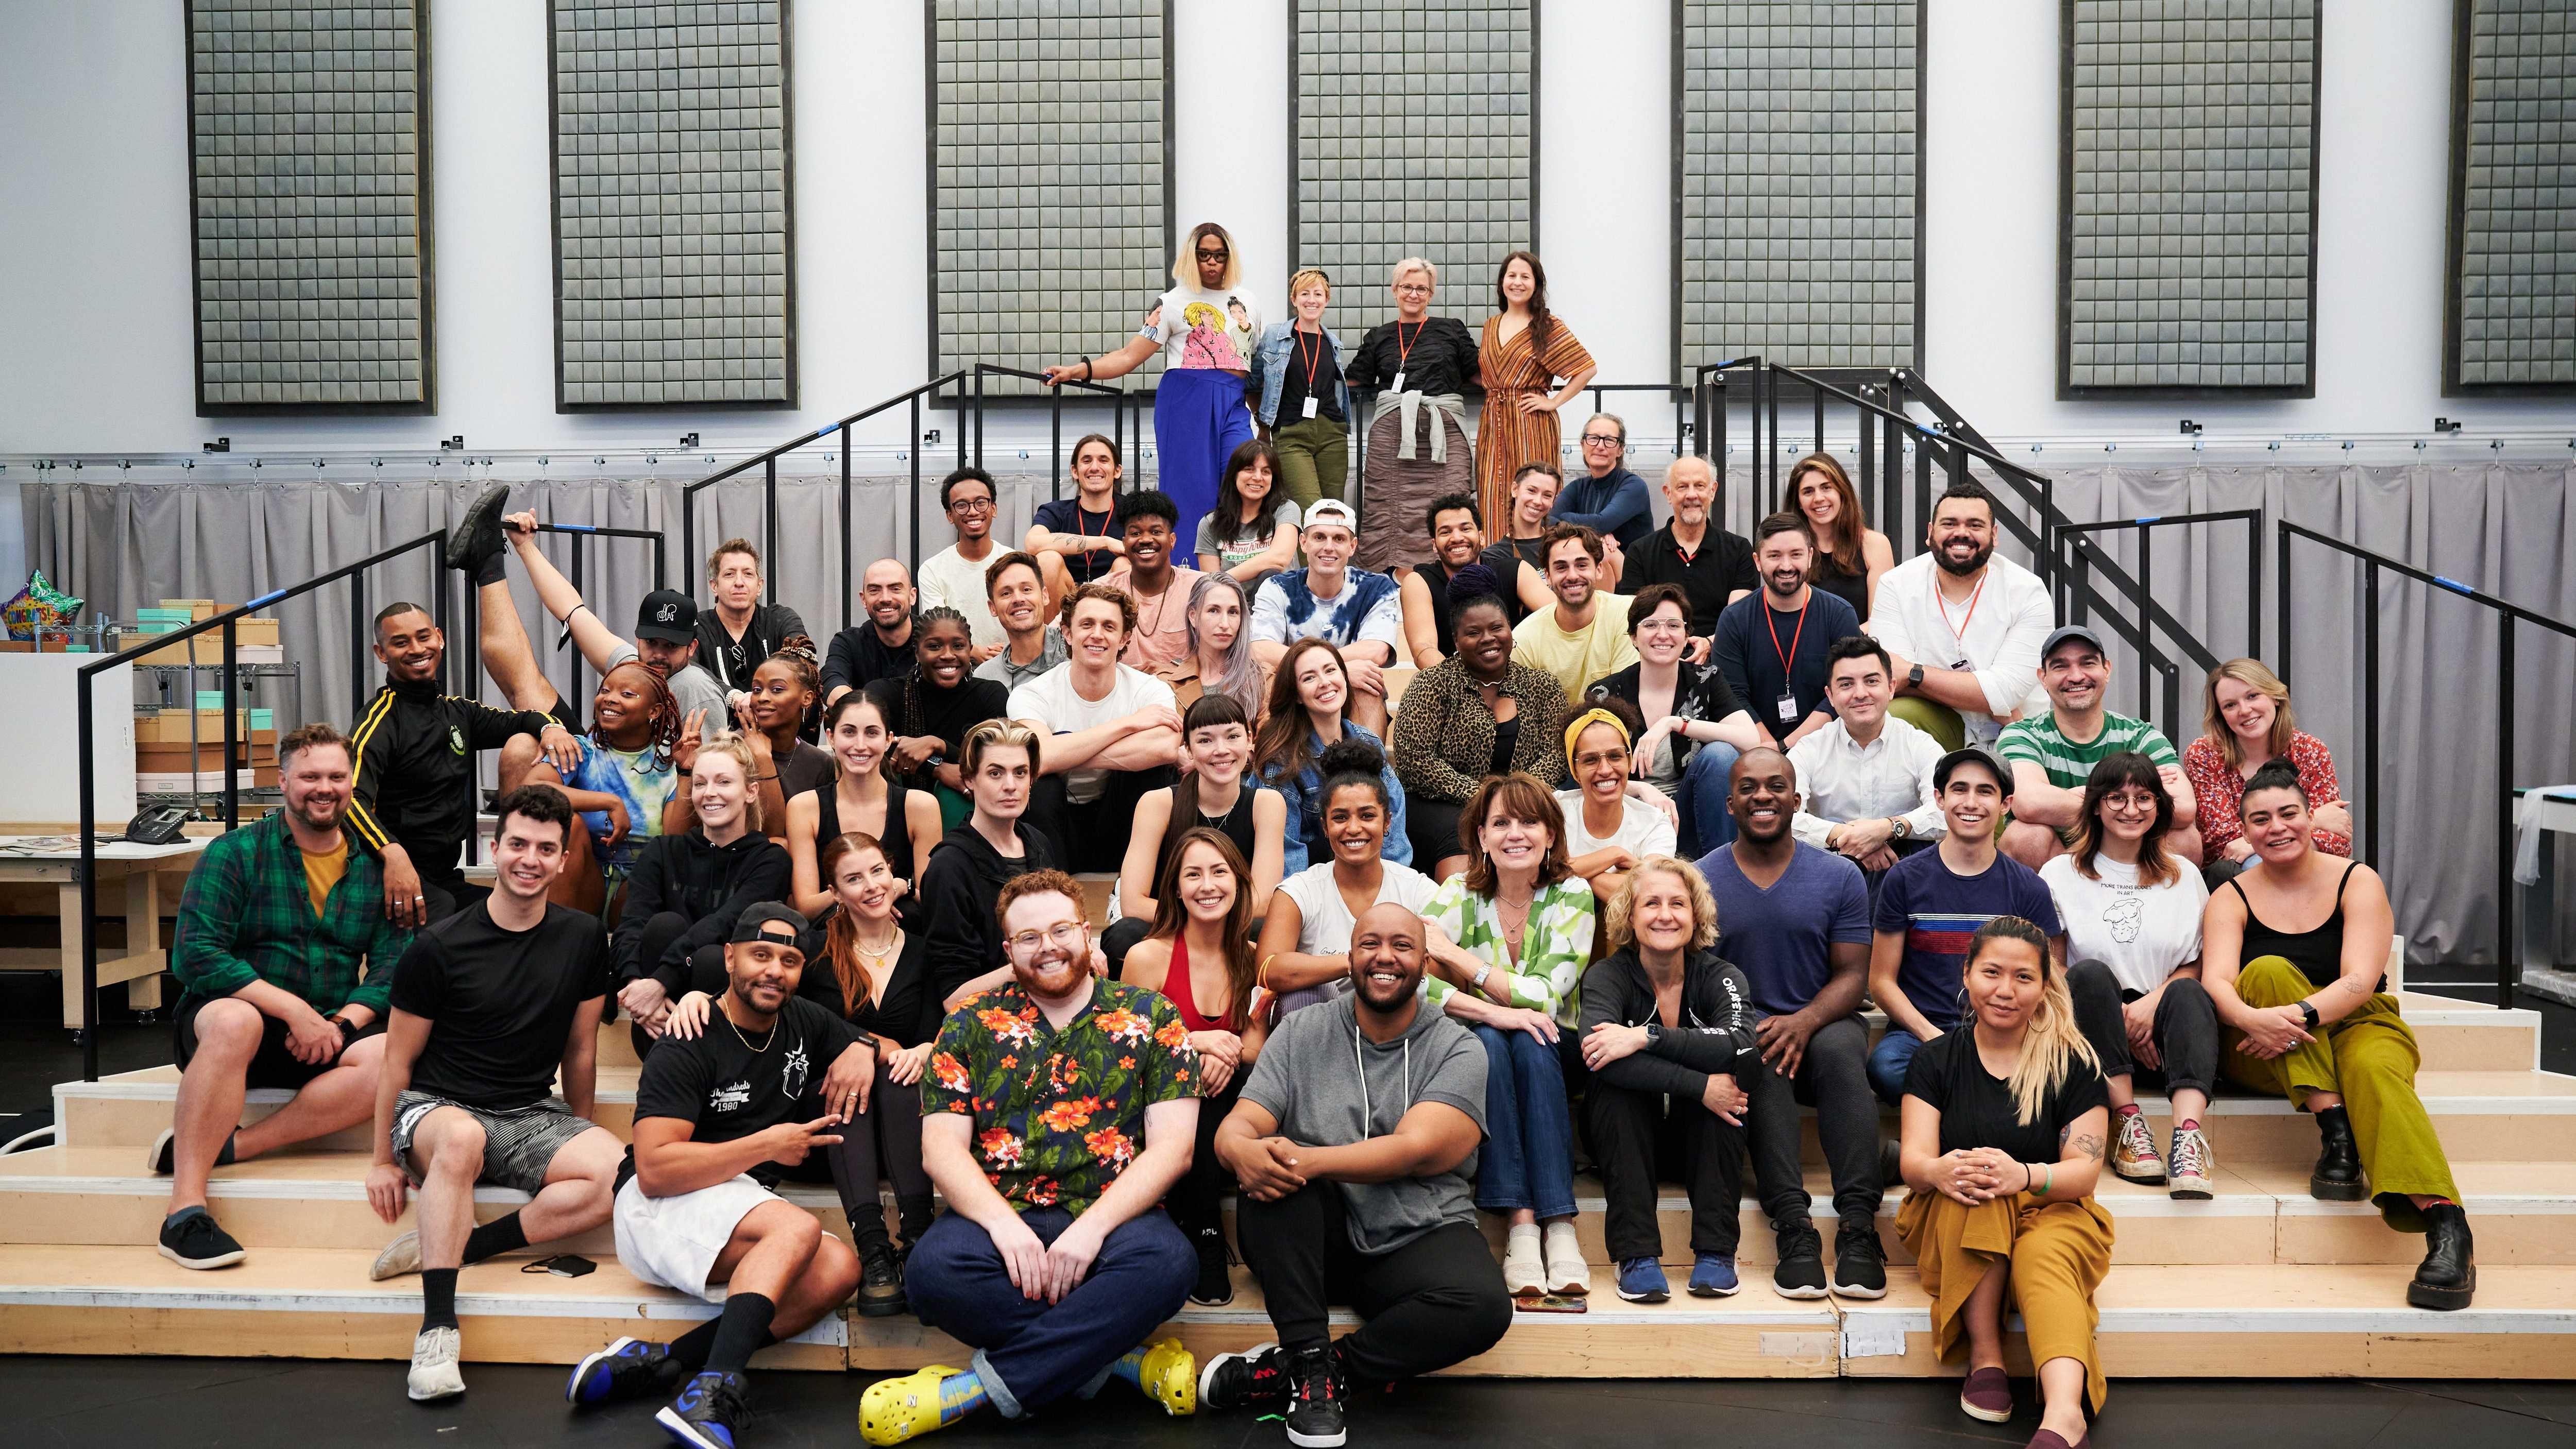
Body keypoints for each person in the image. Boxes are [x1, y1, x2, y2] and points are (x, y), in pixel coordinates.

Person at [858, 871, 1202, 1444]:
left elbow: (1174, 1149)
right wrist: (1005, 1227)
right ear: (1008, 949)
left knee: (1169, 1265)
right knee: (930, 1274)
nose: (1048, 946)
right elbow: (940, 1150)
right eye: (1029, 937)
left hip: (1114, 1214)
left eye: (1061, 929)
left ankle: (969, 1391)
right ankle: (1113, 1361)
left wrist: (1090, 1229)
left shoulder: (1152, 1015)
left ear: (1086, 932)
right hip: (1001, 1209)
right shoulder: (968, 1023)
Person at [1203, 902, 1510, 1444]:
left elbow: (1414, 1149)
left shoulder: (1458, 1046)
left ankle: (1314, 1370)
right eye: (1370, 943)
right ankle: (1309, 1359)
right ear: (1349, 957)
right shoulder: (1301, 1030)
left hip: (1418, 1231)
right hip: (1315, 1245)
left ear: (1425, 963)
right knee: (1271, 1182)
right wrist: (1236, 1149)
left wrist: (1303, 1157)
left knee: (1483, 1305)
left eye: (1402, 945)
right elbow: (1242, 1123)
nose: (1384, 956)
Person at [567, 904, 872, 1448]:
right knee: (797, 1228)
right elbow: (654, 1169)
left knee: (839, 1269)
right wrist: (768, 1144)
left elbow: (880, 1044)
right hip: (655, 1203)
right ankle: (714, 1388)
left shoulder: (802, 1020)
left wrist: (863, 1049)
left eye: (789, 960)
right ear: (729, 958)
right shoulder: (691, 1034)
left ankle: (660, 1361)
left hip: (732, 1200)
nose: (774, 970)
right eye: (760, 954)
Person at [363, 787, 623, 1402]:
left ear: (563, 860)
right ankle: (437, 1329)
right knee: (461, 1136)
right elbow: (397, 1059)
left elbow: (580, 1049)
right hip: (438, 1108)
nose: (530, 859)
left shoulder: (585, 936)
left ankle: (466, 1243)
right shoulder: (437, 945)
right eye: (517, 844)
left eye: (545, 848)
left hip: (529, 1110)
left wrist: (579, 1130)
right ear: (494, 848)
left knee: (619, 1173)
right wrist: (381, 1158)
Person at [2201, 761, 2475, 1310]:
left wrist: (2293, 1017)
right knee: (2267, 971)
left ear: (2311, 817)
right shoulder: (2230, 895)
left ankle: (2447, 1225)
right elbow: (2217, 981)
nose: (2276, 827)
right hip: (2262, 1049)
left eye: (2288, 813)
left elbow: (2357, 981)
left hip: (2355, 1022)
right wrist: (2251, 1019)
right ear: (2244, 830)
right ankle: (2337, 1130)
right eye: (2260, 819)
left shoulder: (2357, 879)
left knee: (2373, 1069)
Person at [149, 724, 411, 1272]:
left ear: (352, 783)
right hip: (236, 1027)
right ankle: (184, 1212)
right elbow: (195, 954)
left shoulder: (375, 866)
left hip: (326, 1032)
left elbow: (394, 966)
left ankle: (237, 1146)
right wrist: (293, 1010)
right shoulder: (236, 852)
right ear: (283, 780)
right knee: (235, 1020)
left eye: (337, 776)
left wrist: (341, 1024)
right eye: (310, 776)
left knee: (396, 1053)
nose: (325, 788)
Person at [1895, 916, 2113, 1446]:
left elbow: (2084, 1171)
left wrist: (2024, 1175)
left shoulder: (2074, 1063)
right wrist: (1940, 1169)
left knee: (2040, 1251)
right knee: (1977, 1183)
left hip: (2053, 1207)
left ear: (2043, 986)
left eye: (2023, 977)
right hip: (1958, 1210)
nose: (2005, 990)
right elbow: (1914, 1161)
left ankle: (2064, 1413)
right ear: (1967, 974)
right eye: (1991, 972)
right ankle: (1986, 1356)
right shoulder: (1935, 1059)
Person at [1696, 748, 1884, 1298]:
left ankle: (1858, 1226)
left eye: (1776, 785)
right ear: (1729, 803)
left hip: (1824, 1017)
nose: (1762, 795)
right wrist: (1752, 1026)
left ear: (1797, 800)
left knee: (1839, 1052)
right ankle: (1793, 1226)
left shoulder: (1839, 875)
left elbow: (1853, 976)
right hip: (1743, 1027)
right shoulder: (1701, 878)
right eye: (1748, 787)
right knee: (1759, 1052)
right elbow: (1698, 981)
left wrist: (1803, 1020)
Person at [1415, 773, 1597, 1300]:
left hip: (1557, 1049)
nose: (1514, 833)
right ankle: (1525, 1224)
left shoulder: (1572, 893)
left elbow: (1545, 996)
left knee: (1529, 1039)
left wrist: (1459, 959)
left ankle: (1555, 1224)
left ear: (1550, 834)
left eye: (1529, 822)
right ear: (1482, 836)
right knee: (1493, 1041)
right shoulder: (1458, 892)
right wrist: (1490, 1012)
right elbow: (1409, 976)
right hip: (1481, 1047)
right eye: (1501, 823)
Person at [1577, 857, 1758, 1303]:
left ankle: (1717, 1250)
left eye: (1678, 903)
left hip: (1698, 1143)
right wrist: (1699, 1086)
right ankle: (1636, 1255)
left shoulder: (1722, 976)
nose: (1665, 914)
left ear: (1695, 915)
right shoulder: (1606, 975)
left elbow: (1740, 1044)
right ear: (1630, 916)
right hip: (1624, 1143)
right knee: (1619, 1088)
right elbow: (1598, 1056)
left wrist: (1647, 1036)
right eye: (1651, 903)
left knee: (1727, 1086)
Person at [2043, 753, 2219, 1197]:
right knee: (2088, 975)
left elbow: (2197, 963)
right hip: (2090, 1032)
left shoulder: (2185, 875)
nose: (2131, 809)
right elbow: (2053, 966)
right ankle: (2126, 1122)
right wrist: (2120, 1017)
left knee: (2191, 993)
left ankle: (2188, 1139)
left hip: (2161, 1034)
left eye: (2144, 797)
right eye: (2117, 797)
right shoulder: (2060, 873)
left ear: (2159, 806)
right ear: (2096, 805)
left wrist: (2148, 1007)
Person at [781, 831, 941, 1314]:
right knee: (855, 1082)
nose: (871, 886)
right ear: (834, 892)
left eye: (877, 871)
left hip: (904, 1122)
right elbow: (793, 1024)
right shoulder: (814, 953)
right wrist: (863, 1045)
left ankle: (919, 1243)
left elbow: (937, 1034)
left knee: (896, 1073)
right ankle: (873, 1250)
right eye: (854, 879)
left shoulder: (924, 950)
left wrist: (921, 1050)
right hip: (833, 1127)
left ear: (892, 872)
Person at [453, 503, 725, 782]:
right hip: (604, 769)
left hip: (645, 793)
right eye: (652, 642)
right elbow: (573, 610)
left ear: (691, 648)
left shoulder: (693, 687)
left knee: (526, 732)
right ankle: (489, 561)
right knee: (527, 696)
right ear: (638, 638)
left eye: (671, 646)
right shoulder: (634, 666)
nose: (658, 654)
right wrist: (525, 546)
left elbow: (712, 774)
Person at [348, 599, 579, 924]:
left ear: (439, 638)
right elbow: (349, 800)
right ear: (381, 653)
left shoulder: (459, 712)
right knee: (450, 917)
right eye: (401, 643)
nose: (417, 649)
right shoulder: (379, 720)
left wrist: (550, 728)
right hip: (394, 872)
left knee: (520, 913)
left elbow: (523, 720)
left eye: (424, 637)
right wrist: (391, 852)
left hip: (445, 877)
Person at [1044, 220, 1261, 558]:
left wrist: (1262, 417)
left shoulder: (1247, 301)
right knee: (1192, 490)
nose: (1212, 262)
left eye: (1220, 255)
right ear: (1191, 256)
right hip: (1186, 399)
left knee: (1244, 479)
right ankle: (1188, 569)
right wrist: (1080, 370)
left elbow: (1254, 365)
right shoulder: (1171, 302)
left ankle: (1241, 567)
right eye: (1204, 254)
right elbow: (1130, 355)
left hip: (1233, 399)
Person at [1123, 828, 1273, 1305]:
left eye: (1219, 872)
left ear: (1238, 882)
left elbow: (1255, 1048)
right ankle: (1205, 1227)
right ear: (1176, 888)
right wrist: (1194, 1043)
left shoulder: (1252, 957)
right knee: (1188, 1074)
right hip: (1154, 1105)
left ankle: (1207, 1225)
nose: (1207, 885)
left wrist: (1217, 1051)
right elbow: (1124, 1047)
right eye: (1193, 874)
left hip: (1223, 1104)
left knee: (1228, 1079)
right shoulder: (1147, 956)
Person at [1868, 749, 2065, 1105]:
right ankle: (1984, 1099)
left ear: (2005, 805)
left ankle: (1956, 1104)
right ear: (1939, 799)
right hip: (1922, 1031)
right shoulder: (1904, 879)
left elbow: (2052, 979)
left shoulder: (2028, 888)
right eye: (1959, 789)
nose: (1971, 802)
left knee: (2050, 1070)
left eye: (1985, 791)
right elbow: (1881, 980)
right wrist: (1934, 1038)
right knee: (1887, 1068)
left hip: (2006, 1029)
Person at [611, 733, 792, 1051]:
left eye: (724, 782)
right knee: (664, 925)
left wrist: (661, 980)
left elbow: (726, 923)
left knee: (713, 958)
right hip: (657, 1021)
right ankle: (665, 1050)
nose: (709, 793)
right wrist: (638, 986)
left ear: (751, 792)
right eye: (700, 784)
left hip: (726, 1014)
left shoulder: (770, 860)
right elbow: (632, 923)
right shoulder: (663, 852)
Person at [1388, 572, 1569, 877]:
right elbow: (1416, 762)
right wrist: (1484, 796)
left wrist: (1515, 796)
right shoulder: (1432, 684)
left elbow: (1556, 756)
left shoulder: (1542, 686)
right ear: (1456, 641)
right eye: (1473, 632)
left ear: (1510, 630)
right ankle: (1459, 904)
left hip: (1525, 801)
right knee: (1459, 831)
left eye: (1497, 628)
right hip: (1442, 804)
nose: (1488, 638)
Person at [1256, 740, 1442, 1015]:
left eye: (1367, 816)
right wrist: (1359, 961)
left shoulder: (1418, 890)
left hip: (1402, 1024)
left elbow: (1450, 972)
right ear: (1325, 826)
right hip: (1326, 1024)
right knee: (1302, 997)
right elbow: (1268, 969)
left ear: (1387, 822)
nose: (1354, 828)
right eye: (1340, 818)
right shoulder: (1299, 891)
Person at [1008, 583, 1183, 872]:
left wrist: (1064, 754)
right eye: (1087, 624)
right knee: (1041, 785)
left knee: (1147, 772)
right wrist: (1127, 725)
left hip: (1120, 815)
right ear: (1067, 633)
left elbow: (1165, 748)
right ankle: (1050, 888)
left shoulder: (1148, 690)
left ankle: (1138, 883)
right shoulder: (1034, 693)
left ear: (1124, 639)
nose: (1097, 635)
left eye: (1109, 627)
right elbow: (1039, 760)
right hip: (1057, 819)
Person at [1866, 482, 2052, 752]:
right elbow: (1892, 679)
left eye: (1975, 525)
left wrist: (1916, 673)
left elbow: (2007, 690)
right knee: (1895, 714)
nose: (1962, 533)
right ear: (1930, 533)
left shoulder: (2028, 590)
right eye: (1949, 524)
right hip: (1942, 719)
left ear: (1994, 535)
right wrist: (1988, 698)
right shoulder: (1896, 585)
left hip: (2018, 727)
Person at [1997, 624, 2201, 869]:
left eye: (2088, 663)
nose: (2076, 676)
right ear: (2043, 678)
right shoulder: (2023, 734)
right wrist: (2134, 793)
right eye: (2061, 666)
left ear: (2107, 670)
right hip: (2057, 863)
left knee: (2185, 839)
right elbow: (2029, 804)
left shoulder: (2141, 736)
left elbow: (2183, 808)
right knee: (2027, 837)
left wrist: (2078, 797)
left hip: (2131, 861)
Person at [1108, 693, 1286, 965]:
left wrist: (1212, 920)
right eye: (1205, 740)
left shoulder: (1267, 804)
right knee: (1125, 934)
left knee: (1265, 931)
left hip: (1233, 926)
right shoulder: (1157, 803)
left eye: (1233, 736)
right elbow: (1133, 903)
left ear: (1250, 739)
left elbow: (1261, 902)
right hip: (1169, 924)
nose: (1221, 750)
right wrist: (1199, 919)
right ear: (1189, 750)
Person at [1589, 585, 1757, 856]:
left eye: (1673, 625)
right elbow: (1585, 773)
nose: (1663, 634)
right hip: (1630, 815)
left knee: (1721, 754)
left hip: (1692, 813)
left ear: (1687, 635)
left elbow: (1750, 740)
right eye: (1650, 625)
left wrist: (1675, 723)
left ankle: (1722, 866)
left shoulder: (1706, 679)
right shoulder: (1605, 694)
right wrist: (1640, 789)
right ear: (1633, 637)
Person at [517, 660, 688, 916]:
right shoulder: (581, 750)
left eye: (627, 694)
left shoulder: (669, 762)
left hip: (642, 885)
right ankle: (555, 934)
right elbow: (530, 789)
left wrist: (687, 773)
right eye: (605, 691)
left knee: (662, 863)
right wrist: (609, 802)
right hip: (586, 879)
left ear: (654, 711)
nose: (609, 699)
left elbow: (675, 844)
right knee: (568, 821)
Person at [1344, 257, 1481, 574]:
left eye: (1422, 289)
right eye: (1407, 287)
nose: (1414, 294)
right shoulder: (1379, 336)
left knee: (1453, 504)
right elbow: (1354, 379)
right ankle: (1384, 587)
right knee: (1384, 510)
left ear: (1431, 294)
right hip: (1392, 438)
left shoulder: (1451, 329)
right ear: (1395, 291)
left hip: (1444, 434)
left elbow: (1479, 375)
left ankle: (1454, 581)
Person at [917, 719, 1060, 1008]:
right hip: (988, 1018)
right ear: (969, 779)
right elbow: (953, 999)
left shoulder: (1038, 842)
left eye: (1020, 773)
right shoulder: (948, 867)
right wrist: (1027, 965)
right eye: (995, 773)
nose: (1010, 786)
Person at [1788, 635, 1945, 891]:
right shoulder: (1809, 749)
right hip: (1832, 871)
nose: (1860, 694)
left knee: (1919, 846)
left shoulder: (1919, 744)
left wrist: (1889, 828)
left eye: (1872, 681)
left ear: (1891, 688)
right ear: (1830, 695)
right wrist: (1846, 837)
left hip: (1903, 869)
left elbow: (1946, 812)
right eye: (1846, 684)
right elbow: (1785, 818)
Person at [2182, 657, 2353, 879]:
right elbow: (2220, 842)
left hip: (2308, 870)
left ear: (2275, 697)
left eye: (2253, 696)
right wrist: (2316, 820)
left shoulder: (2310, 749)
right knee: (2257, 865)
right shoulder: (2204, 753)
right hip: (2237, 877)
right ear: (2221, 716)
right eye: (2230, 705)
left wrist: (2253, 843)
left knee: (2354, 876)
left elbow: (2338, 841)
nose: (2245, 710)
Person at [1255, 638, 1413, 873]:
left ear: (1344, 677)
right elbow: (1287, 861)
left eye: (1330, 671)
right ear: (1297, 695)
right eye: (1309, 678)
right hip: (1309, 881)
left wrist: (1390, 887)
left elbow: (1393, 837)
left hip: (1366, 876)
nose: (1325, 682)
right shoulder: (1283, 760)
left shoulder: (1368, 741)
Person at [1248, 499, 1405, 735]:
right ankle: (1274, 760)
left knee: (1368, 685)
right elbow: (1260, 649)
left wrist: (1332, 675)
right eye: (1320, 537)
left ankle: (1365, 761)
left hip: (1349, 694)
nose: (1329, 547)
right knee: (1268, 681)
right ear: (1304, 542)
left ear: (1352, 546)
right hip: (1293, 690)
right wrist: (1338, 671)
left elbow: (1377, 651)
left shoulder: (1376, 588)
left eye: (1339, 539)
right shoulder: (1276, 587)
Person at [1711, 513, 1861, 757]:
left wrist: (1788, 746)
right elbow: (1732, 696)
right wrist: (1769, 751)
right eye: (1774, 556)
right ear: (1758, 561)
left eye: (1796, 554)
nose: (1786, 566)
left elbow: (1845, 688)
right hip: (1754, 750)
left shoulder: (1839, 614)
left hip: (1828, 748)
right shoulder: (1734, 619)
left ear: (1810, 557)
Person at [785, 690, 943, 918]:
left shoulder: (920, 806)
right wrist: (873, 890)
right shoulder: (804, 807)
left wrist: (903, 886)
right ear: (831, 737)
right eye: (849, 732)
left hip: (902, 929)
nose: (860, 745)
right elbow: (807, 907)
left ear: (888, 740)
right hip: (832, 932)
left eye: (872, 733)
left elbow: (933, 899)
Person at [1475, 250, 1596, 531]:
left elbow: (1586, 368)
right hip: (1492, 422)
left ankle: (1538, 556)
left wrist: (1553, 402)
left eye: (1525, 277)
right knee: (1492, 493)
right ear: (1502, 282)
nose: (1517, 282)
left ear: (1536, 284)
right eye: (1511, 276)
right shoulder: (1491, 325)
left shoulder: (1547, 326)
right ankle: (1497, 555)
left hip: (1530, 422)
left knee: (1534, 492)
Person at [866, 606, 1010, 831]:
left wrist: (939, 744)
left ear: (970, 649)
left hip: (969, 816)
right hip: (898, 814)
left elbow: (996, 759)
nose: (948, 655)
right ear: (917, 653)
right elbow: (870, 745)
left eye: (958, 646)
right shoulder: (887, 694)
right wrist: (939, 768)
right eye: (934, 646)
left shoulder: (990, 694)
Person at [1624, 454, 1756, 645]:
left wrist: (1709, 644)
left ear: (1713, 491)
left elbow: (1738, 619)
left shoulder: (1739, 550)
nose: (1692, 495)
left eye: (1700, 486)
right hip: (1659, 650)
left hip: (1720, 651)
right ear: (1668, 493)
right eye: (1682, 487)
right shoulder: (1640, 551)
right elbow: (1635, 621)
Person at [1247, 267, 1350, 510]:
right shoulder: (1275, 336)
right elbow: (1253, 383)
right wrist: (1262, 423)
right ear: (1294, 299)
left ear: (1326, 300)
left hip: (1332, 432)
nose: (1311, 300)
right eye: (1305, 294)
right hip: (1291, 433)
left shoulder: (1333, 343)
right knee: (1308, 508)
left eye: (1318, 294)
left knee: (1334, 509)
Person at [1554, 701, 1674, 902]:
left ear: (1629, 761)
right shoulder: (1554, 811)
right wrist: (1615, 855)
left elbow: (1652, 891)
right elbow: (1532, 871)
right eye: (1590, 760)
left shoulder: (1655, 824)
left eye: (1615, 756)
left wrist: (1568, 873)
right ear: (1575, 770)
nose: (1605, 770)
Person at [1512, 524, 1636, 703]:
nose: (1572, 576)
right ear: (1548, 576)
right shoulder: (1524, 640)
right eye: (1561, 567)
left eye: (1582, 565)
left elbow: (1626, 699)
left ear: (1598, 570)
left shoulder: (1626, 614)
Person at [732, 644, 835, 843]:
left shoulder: (820, 764)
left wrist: (764, 758)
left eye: (777, 690)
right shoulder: (732, 749)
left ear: (807, 698)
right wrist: (762, 759)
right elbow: (770, 835)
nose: (762, 698)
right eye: (756, 690)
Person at [1100, 488, 1204, 673]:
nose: (1146, 539)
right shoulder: (1101, 592)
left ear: (1172, 540)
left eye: (1156, 532)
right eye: (1135, 533)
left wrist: (1176, 669)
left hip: (1183, 688)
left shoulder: (1202, 589)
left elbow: (1228, 651)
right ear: (1124, 543)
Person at [694, 538, 809, 698]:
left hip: (775, 711)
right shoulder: (698, 627)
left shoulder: (780, 619)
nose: (739, 583)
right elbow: (688, 669)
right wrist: (733, 697)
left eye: (748, 574)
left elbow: (802, 660)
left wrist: (763, 698)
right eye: (729, 574)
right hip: (716, 714)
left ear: (759, 586)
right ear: (714, 586)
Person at [1791, 452, 1895, 623]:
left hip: (1859, 640)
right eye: (1808, 492)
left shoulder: (1875, 544)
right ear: (1799, 503)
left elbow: (1880, 621)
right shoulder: (1790, 548)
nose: (1819, 498)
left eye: (1826, 488)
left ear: (1842, 491)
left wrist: (1843, 638)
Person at [916, 467, 1010, 655]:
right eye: (961, 505)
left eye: (981, 503)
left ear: (994, 508)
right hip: (956, 663)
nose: (973, 512)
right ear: (950, 515)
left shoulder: (1014, 563)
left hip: (1012, 662)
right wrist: (973, 651)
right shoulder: (932, 569)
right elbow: (938, 628)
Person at [1022, 432, 1128, 599]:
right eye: (1087, 461)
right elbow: (1032, 543)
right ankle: (1055, 620)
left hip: (1113, 601)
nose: (1095, 467)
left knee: (1125, 564)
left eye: (1103, 460)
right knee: (1047, 559)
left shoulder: (1132, 511)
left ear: (1117, 471)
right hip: (1066, 600)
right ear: (1075, 471)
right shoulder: (1056, 512)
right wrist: (1105, 542)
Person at [1395, 492, 1485, 670]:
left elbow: (1546, 616)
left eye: (1465, 529)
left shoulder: (1513, 571)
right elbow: (1424, 649)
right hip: (1447, 680)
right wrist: (1459, 684)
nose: (1457, 538)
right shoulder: (1420, 582)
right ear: (1434, 545)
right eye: (1446, 532)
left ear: (1481, 537)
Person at [1194, 439, 1303, 582]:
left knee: (1270, 575)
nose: (1258, 477)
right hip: (1232, 596)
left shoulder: (1286, 509)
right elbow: (1211, 587)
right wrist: (1220, 584)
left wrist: (1222, 580)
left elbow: (1279, 559)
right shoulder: (1210, 524)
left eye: (1266, 472)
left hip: (1279, 595)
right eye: (1249, 469)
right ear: (1234, 474)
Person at [1160, 570, 1265, 718]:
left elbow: (1271, 732)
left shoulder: (1262, 679)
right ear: (1193, 616)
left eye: (1233, 612)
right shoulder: (1167, 682)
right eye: (1213, 611)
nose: (1225, 624)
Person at [1478, 463, 1573, 624]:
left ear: (1553, 501)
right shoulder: (1494, 556)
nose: (1538, 501)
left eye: (1547, 495)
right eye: (1532, 491)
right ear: (1515, 489)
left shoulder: (1564, 541)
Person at [823, 560, 921, 706]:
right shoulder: (849, 642)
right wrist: (864, 712)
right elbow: (832, 682)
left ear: (912, 596)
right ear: (864, 599)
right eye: (875, 590)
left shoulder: (932, 638)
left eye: (895, 589)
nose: (885, 598)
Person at [1550, 413, 1652, 552]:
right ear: (1583, 445)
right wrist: (1596, 532)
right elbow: (1549, 521)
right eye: (1593, 438)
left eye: (1609, 440)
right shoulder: (1577, 487)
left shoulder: (1634, 486)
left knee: (1605, 548)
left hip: (1630, 563)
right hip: (1589, 562)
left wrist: (1565, 518)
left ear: (1620, 450)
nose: (1600, 446)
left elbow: (1602, 523)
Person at [974, 550, 1071, 695]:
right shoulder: (985, 678)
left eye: (1026, 589)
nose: (1018, 599)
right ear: (993, 608)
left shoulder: (1076, 652)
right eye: (1006, 593)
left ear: (1044, 596)